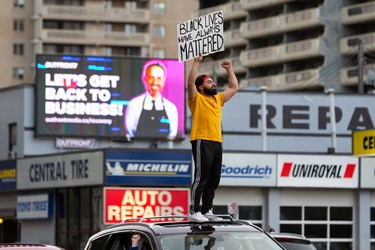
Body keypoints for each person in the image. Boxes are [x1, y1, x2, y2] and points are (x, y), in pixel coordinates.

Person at [187, 54, 239, 222]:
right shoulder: (196, 99)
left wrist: (229, 69)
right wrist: (196, 63)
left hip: (217, 142)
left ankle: (207, 210)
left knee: (214, 178)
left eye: (213, 81)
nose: (213, 83)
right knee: (201, 177)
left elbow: (234, 88)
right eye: (209, 82)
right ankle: (195, 211)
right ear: (200, 87)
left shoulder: (218, 99)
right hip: (202, 140)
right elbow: (189, 83)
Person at [125, 60, 178, 140]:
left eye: (159, 78)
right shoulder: (134, 104)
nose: (155, 82)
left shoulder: (171, 107)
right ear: (145, 79)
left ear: (164, 80)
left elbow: (172, 135)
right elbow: (129, 133)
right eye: (151, 77)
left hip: (164, 150)